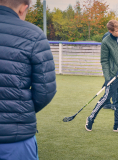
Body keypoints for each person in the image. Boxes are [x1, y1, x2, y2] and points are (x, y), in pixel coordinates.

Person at [0, 0, 57, 159]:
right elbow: (46, 91)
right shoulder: (34, 35)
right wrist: (20, 110)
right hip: (17, 138)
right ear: (22, 9)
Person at [85, 20, 118, 133]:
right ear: (110, 31)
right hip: (112, 76)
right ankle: (91, 118)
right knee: (105, 99)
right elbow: (104, 61)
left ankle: (117, 125)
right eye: (116, 31)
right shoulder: (106, 42)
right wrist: (107, 77)